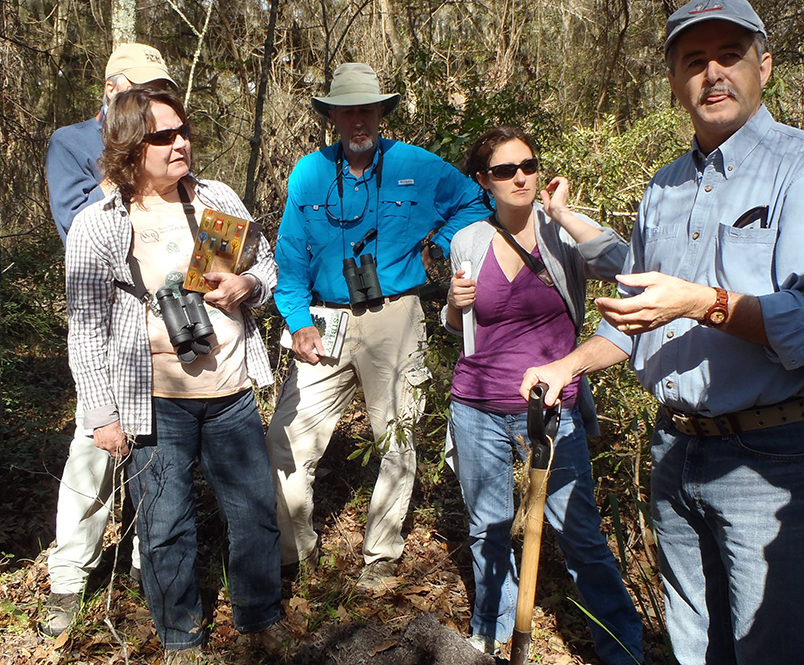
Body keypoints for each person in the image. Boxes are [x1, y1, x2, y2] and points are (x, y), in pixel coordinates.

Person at [521, 1, 804, 663]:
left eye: (729, 54)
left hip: (769, 458)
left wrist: (704, 303)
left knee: (771, 652)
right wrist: (567, 366)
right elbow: (634, 324)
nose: (712, 72)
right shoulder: (666, 187)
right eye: (693, 59)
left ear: (763, 66)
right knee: (693, 648)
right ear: (675, 79)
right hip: (673, 454)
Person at [65, 87, 291, 663]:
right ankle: (181, 637)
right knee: (164, 528)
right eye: (162, 136)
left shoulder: (214, 198)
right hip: (152, 401)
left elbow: (262, 262)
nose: (180, 143)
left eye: (182, 130)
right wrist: (101, 414)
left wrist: (249, 286)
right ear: (128, 146)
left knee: (253, 514)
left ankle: (260, 617)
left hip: (230, 391)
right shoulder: (100, 224)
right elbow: (86, 329)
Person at [268, 62, 489, 590]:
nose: (358, 120)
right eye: (348, 110)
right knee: (285, 439)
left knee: (396, 437)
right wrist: (297, 321)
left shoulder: (417, 165)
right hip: (325, 319)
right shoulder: (309, 173)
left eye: (367, 109)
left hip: (396, 314)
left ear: (381, 113)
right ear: (334, 116)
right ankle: (293, 551)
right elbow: (290, 257)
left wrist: (441, 245)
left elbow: (475, 202)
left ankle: (381, 555)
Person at [442, 127, 643, 663]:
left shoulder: (562, 235)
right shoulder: (468, 240)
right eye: (505, 170)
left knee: (577, 531)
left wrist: (564, 214)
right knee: (487, 527)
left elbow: (628, 265)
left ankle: (622, 644)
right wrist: (455, 304)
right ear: (484, 180)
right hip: (476, 405)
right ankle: (493, 629)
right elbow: (456, 324)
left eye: (528, 165)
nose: (521, 178)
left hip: (553, 408)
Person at [42, 42, 176, 637]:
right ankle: (68, 580)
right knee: (90, 457)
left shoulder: (166, 143)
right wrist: (125, 175)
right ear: (111, 88)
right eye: (139, 91)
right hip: (105, 331)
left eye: (158, 92)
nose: (149, 103)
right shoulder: (72, 144)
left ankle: (156, 576)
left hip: (165, 334)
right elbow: (78, 225)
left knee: (162, 462)